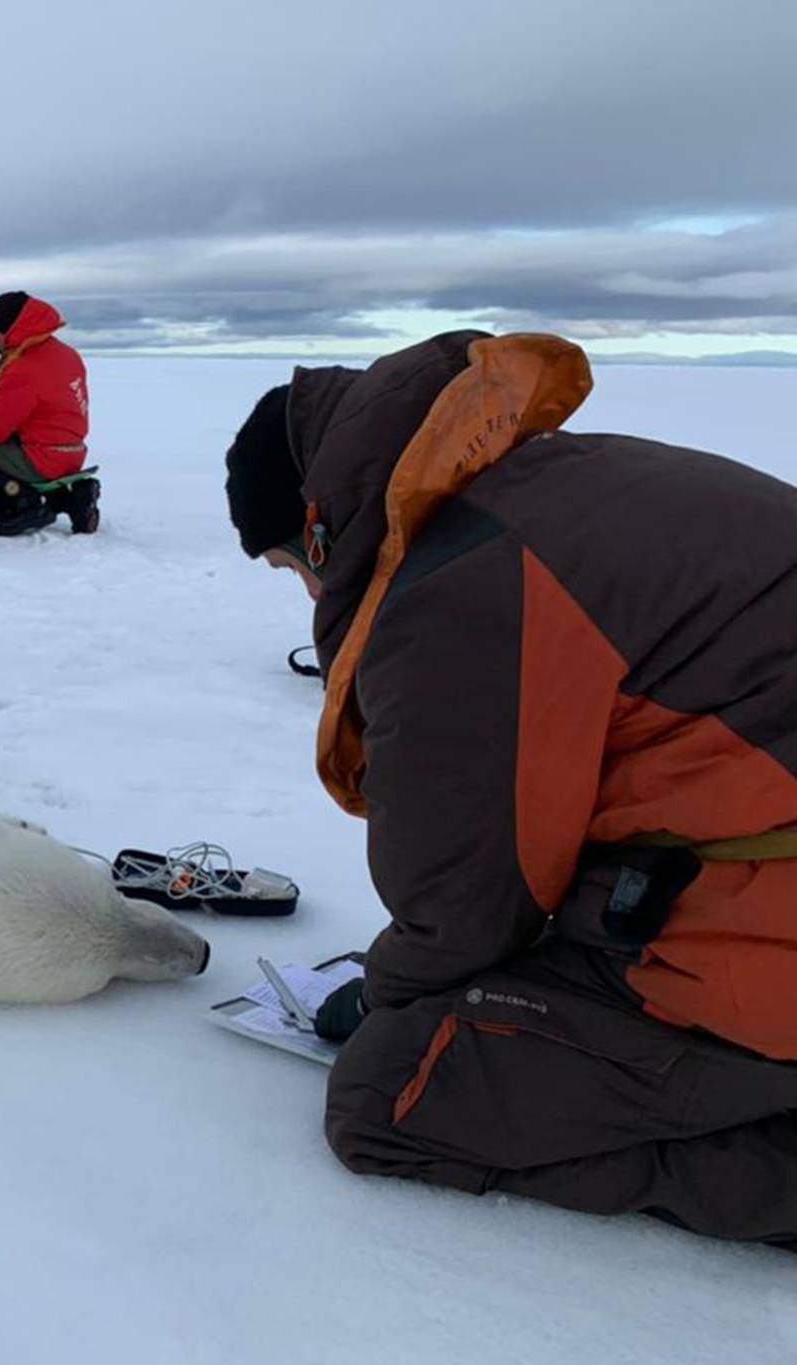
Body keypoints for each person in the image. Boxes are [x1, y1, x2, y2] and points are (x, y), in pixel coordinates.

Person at [224, 329, 797, 1247]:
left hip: (767, 931)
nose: (306, 593)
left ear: (318, 527)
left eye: (293, 568)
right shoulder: (574, 483)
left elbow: (466, 903)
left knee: (394, 1093)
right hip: (743, 856)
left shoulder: (461, 587)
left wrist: (382, 994)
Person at [0, 291, 96, 534]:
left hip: (41, 459)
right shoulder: (65, 353)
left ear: (8, 328)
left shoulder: (24, 367)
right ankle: (72, 500)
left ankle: (21, 501)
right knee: (8, 450)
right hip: (71, 455)